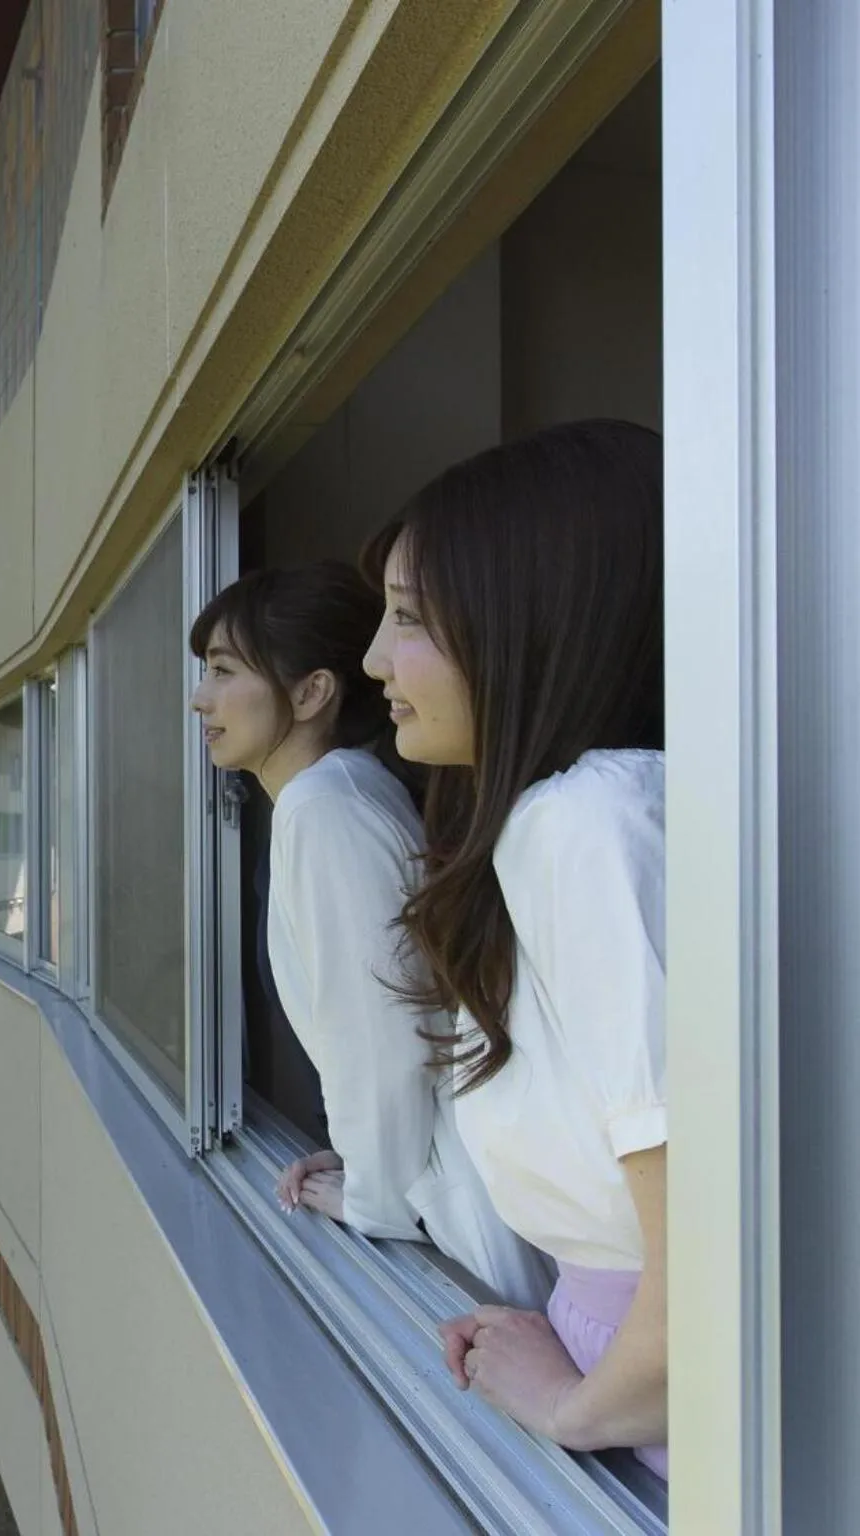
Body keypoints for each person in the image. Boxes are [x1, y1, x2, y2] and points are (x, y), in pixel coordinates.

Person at [361, 419, 667, 1475]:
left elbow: (717, 1267)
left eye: (406, 618)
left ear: (528, 623)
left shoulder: (584, 825)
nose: (370, 661)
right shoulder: (584, 819)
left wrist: (568, 1409)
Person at [189, 562, 551, 1310]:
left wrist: (373, 1196)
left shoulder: (322, 810)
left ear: (311, 692)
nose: (201, 698)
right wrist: (361, 1161)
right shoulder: (343, 792)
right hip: (447, 1185)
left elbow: (383, 1039)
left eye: (223, 671)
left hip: (455, 1219)